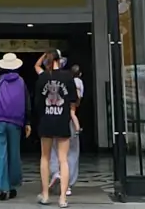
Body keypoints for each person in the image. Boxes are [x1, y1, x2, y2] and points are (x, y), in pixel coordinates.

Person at [32, 51, 77, 207]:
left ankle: (45, 195)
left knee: (45, 158)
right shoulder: (68, 77)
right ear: (60, 60)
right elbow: (73, 100)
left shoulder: (42, 78)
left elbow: (37, 102)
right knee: (63, 159)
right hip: (62, 121)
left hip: (46, 121)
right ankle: (63, 198)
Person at [0, 52, 31, 200]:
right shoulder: (22, 82)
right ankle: (13, 186)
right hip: (16, 122)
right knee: (14, 154)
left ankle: (3, 189)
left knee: (0, 156)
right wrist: (28, 122)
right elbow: (27, 103)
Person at [65, 63, 84, 195]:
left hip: (61, 117)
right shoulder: (79, 83)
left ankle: (57, 174)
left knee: (57, 151)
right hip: (72, 113)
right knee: (72, 151)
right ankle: (68, 183)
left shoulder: (68, 82)